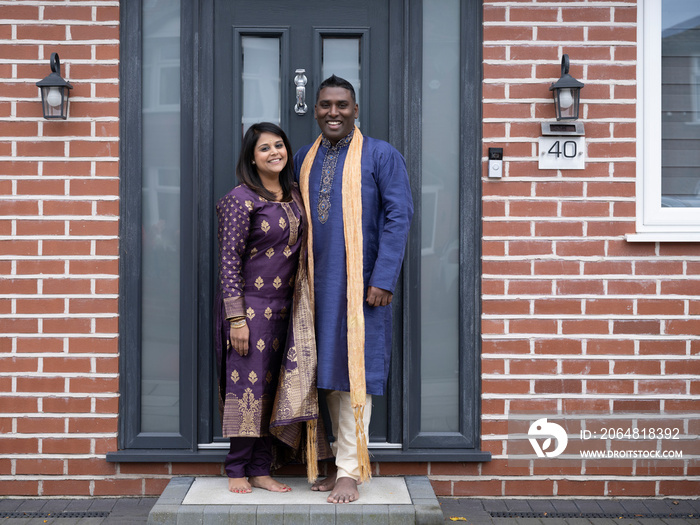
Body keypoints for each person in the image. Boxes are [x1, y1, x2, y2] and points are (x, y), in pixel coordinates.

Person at [295, 75, 414, 503]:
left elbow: (399, 216)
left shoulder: (381, 155)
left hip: (362, 285)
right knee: (324, 374)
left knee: (353, 373)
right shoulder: (303, 158)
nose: (333, 112)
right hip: (315, 285)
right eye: (325, 104)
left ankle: (350, 469)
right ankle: (337, 459)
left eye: (342, 105)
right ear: (316, 110)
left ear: (355, 110)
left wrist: (384, 277)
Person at [214, 122, 325, 494]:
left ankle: (261, 470)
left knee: (274, 391)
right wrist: (236, 318)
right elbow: (228, 262)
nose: (275, 152)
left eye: (279, 145)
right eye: (265, 148)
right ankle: (236, 469)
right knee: (249, 389)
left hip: (288, 311)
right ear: (251, 157)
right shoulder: (240, 198)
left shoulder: (294, 195)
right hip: (250, 311)